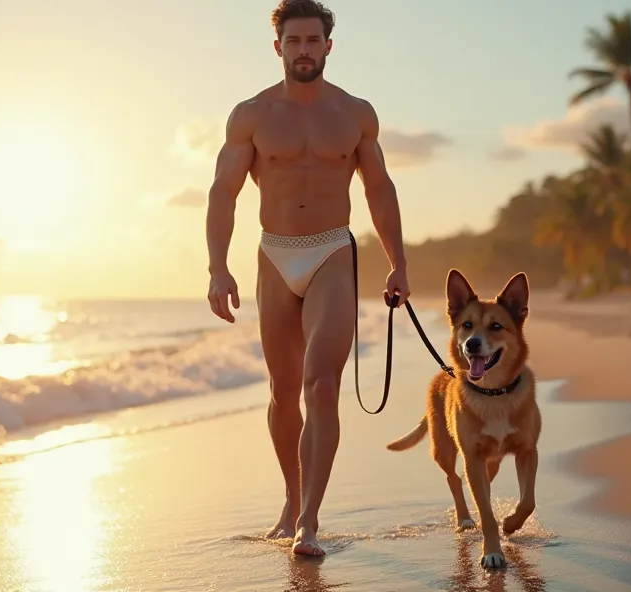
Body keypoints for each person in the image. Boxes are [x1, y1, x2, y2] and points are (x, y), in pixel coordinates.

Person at [205, 0, 410, 557]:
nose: (302, 50)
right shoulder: (251, 114)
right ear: (278, 48)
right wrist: (217, 266)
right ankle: (291, 501)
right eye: (292, 41)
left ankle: (310, 522)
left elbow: (379, 190)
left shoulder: (355, 113)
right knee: (283, 392)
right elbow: (223, 192)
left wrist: (399, 262)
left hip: (331, 254)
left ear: (327, 46)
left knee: (322, 385)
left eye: (312, 41)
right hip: (275, 256)